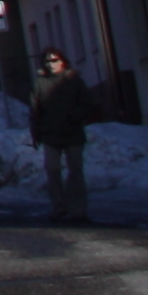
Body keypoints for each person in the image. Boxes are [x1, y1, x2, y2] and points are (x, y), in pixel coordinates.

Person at [31, 46, 96, 224]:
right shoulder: (40, 83)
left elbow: (88, 104)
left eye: (54, 61)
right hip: (50, 134)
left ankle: (78, 210)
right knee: (52, 170)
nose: (51, 65)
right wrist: (35, 133)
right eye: (47, 61)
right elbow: (35, 110)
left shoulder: (73, 80)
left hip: (72, 132)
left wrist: (76, 115)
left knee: (75, 172)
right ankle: (59, 207)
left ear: (62, 61)